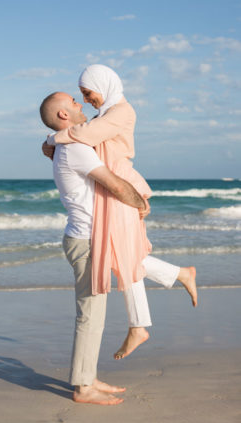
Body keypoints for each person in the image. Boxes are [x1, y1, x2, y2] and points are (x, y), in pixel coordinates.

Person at [44, 64, 197, 360]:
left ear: (103, 85)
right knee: (122, 253)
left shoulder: (121, 112)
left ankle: (141, 323)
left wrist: (51, 139)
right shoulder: (107, 112)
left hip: (120, 184)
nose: (86, 100)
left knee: (123, 253)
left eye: (87, 94)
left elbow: (85, 133)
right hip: (110, 187)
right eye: (82, 96)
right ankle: (177, 276)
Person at [40, 92, 152, 405]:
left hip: (90, 239)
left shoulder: (68, 144)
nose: (81, 104)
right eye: (74, 102)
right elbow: (114, 184)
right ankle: (82, 388)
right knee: (90, 316)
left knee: (96, 314)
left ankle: (87, 378)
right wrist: (140, 204)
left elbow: (53, 141)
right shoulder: (76, 149)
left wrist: (49, 138)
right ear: (64, 115)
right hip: (87, 242)